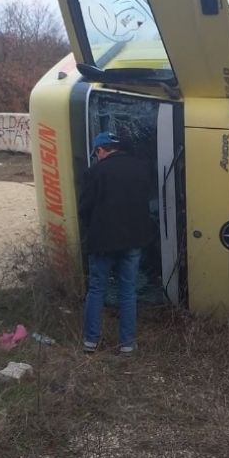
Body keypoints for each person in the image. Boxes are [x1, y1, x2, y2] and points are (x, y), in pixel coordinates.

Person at [78, 131, 154, 354]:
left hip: (103, 240)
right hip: (133, 239)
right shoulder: (141, 168)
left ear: (101, 150)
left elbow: (85, 209)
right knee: (128, 290)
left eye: (96, 153)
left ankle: (90, 342)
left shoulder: (95, 172)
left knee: (97, 289)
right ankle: (127, 344)